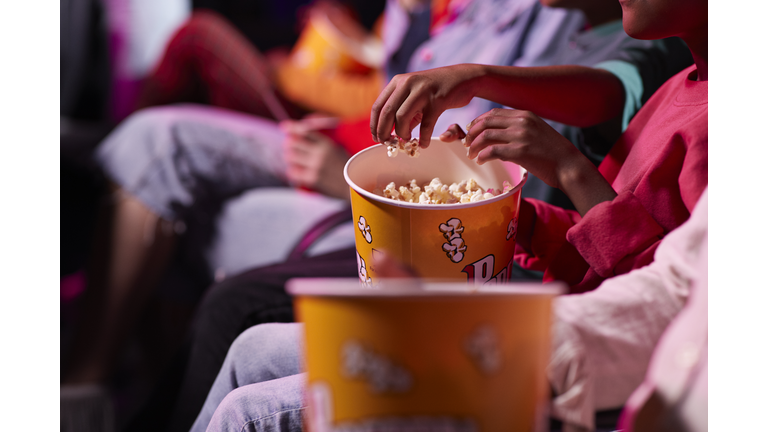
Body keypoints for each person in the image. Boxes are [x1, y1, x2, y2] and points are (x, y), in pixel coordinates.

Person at [88, 0, 693, 429]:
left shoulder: (662, 73)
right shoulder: (680, 84)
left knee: (243, 342)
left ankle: (91, 384)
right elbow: (608, 235)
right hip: (529, 282)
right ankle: (102, 385)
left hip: (563, 347)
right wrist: (515, 218)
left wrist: (563, 169)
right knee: (250, 343)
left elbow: (658, 293)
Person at [190, 188, 708, 432]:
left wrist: (471, 351)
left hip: (580, 368)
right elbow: (674, 285)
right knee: (252, 346)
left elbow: (627, 271)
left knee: (246, 408)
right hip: (570, 328)